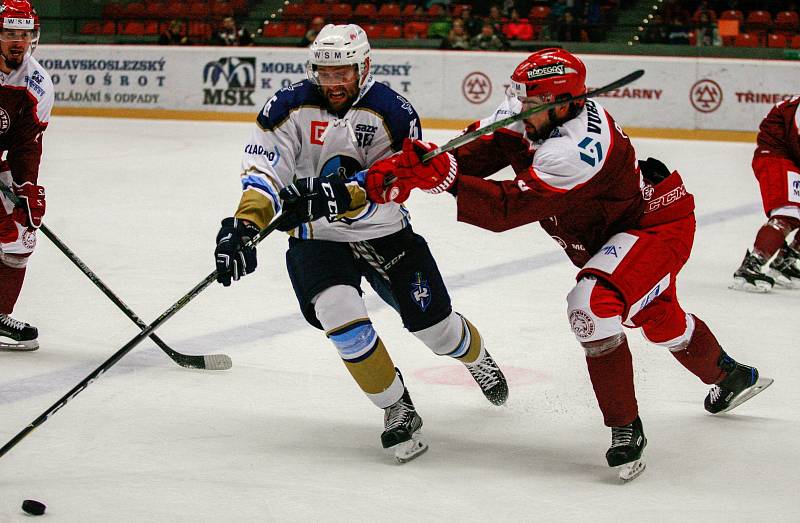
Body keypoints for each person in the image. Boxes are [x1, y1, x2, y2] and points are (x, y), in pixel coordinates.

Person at [363, 48, 772, 480]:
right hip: (611, 233)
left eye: (531, 103)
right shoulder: (534, 112)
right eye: (520, 99)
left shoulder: (577, 149)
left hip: (654, 226)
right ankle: (732, 376)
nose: (521, 109)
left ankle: (625, 429)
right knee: (658, 318)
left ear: (562, 104)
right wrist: (422, 164)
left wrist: (443, 180)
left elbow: (509, 209)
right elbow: (485, 148)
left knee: (591, 306)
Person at [212, 24, 508, 463]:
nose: (333, 83)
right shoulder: (288, 106)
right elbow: (264, 173)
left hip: (382, 233)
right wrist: (243, 224)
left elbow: (391, 187)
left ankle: (476, 357)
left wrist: (333, 198)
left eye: (343, 73)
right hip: (317, 238)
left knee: (437, 330)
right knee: (340, 317)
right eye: (324, 73)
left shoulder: (393, 112)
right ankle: (396, 406)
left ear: (364, 67)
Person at [0, 0, 52, 352]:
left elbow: (26, 145)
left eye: (24, 34)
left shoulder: (37, 84)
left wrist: (26, 187)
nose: (17, 41)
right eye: (8, 33)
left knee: (21, 234)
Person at [732, 97, 800, 291]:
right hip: (776, 155)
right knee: (788, 214)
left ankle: (785, 261)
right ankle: (751, 266)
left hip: (793, 155)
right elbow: (797, 140)